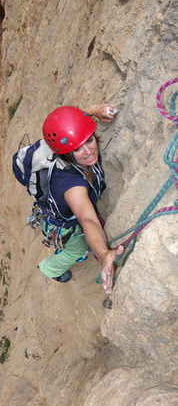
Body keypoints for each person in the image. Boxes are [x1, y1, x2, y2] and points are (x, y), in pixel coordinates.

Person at [37, 104, 123, 295]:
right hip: (62, 225)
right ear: (66, 154)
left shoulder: (66, 146)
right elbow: (88, 219)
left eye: (90, 140)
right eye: (77, 149)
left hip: (53, 208)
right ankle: (51, 269)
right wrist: (103, 254)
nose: (88, 151)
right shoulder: (71, 185)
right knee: (77, 249)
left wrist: (93, 111)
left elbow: (69, 120)